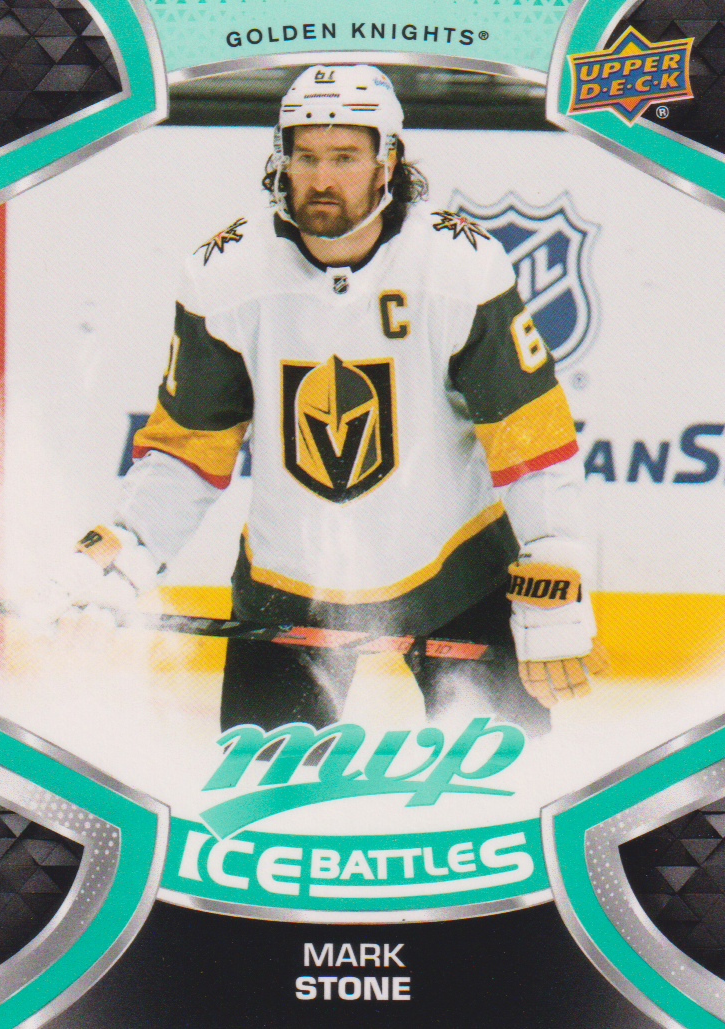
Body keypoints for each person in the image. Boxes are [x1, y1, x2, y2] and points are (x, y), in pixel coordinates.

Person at [37, 64, 607, 736]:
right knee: (262, 791)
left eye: (344, 157)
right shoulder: (226, 274)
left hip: (456, 576)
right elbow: (189, 449)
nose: (320, 178)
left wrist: (552, 576)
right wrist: (124, 554)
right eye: (305, 156)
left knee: (513, 781)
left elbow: (530, 439)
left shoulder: (459, 266)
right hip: (290, 583)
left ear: (387, 161)